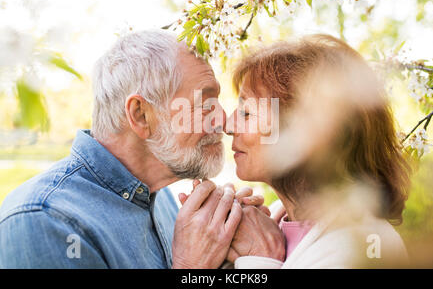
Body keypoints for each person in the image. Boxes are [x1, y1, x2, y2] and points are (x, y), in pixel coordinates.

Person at [0, 29, 284, 268]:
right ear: (140, 115)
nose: (223, 120)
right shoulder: (45, 221)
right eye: (204, 104)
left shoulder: (163, 200)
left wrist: (237, 254)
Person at [222, 34, 412, 268]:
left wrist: (259, 258)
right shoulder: (274, 221)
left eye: (247, 113)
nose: (228, 126)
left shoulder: (368, 246)